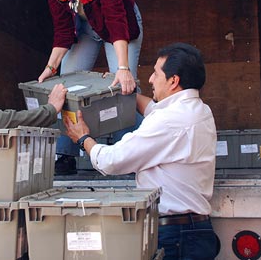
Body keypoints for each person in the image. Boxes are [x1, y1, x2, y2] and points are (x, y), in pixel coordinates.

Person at [64, 43, 218, 260]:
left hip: (177, 237)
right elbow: (152, 110)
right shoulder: (199, 110)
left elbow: (113, 161)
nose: (150, 80)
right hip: (191, 232)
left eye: (156, 74)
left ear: (173, 81)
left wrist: (83, 139)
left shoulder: (170, 121)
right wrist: (124, 91)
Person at [38, 0, 143, 175]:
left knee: (122, 89)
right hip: (85, 28)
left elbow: (117, 21)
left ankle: (124, 154)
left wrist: (124, 69)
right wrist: (50, 69)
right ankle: (65, 154)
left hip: (121, 26)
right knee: (66, 87)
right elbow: (63, 29)